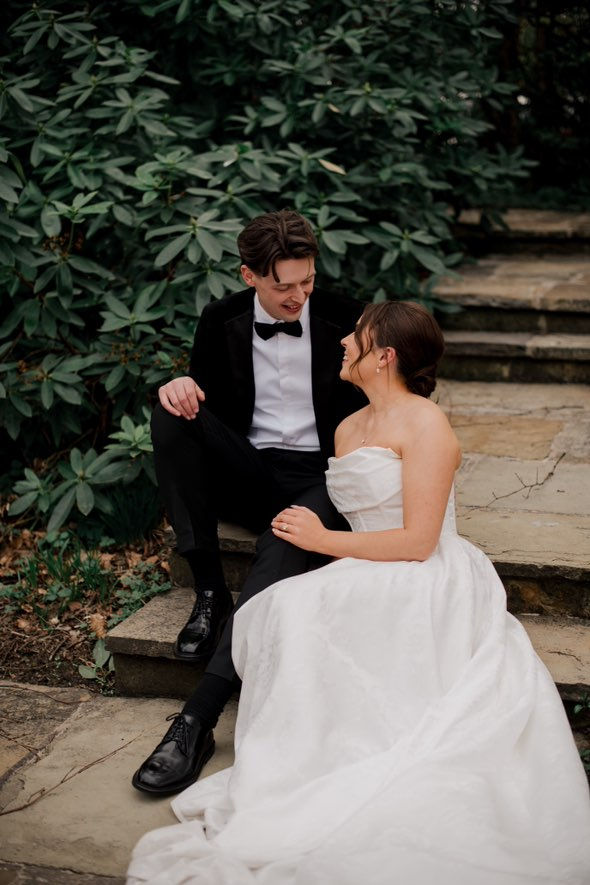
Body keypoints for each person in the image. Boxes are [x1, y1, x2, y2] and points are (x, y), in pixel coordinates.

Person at [128, 301, 590, 884]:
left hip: (424, 573)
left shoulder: (427, 424)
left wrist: (323, 539)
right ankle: (303, 761)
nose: (344, 340)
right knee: (287, 610)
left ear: (385, 356)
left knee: (306, 608)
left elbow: (422, 541)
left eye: (358, 337)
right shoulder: (349, 427)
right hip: (364, 559)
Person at [132, 209, 365, 795]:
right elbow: (200, 398)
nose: (298, 295)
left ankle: (197, 719)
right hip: (249, 466)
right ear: (249, 276)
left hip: (320, 477)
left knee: (280, 552)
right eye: (283, 285)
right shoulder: (221, 319)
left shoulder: (346, 314)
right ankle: (209, 588)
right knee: (170, 411)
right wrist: (179, 387)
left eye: (306, 281)